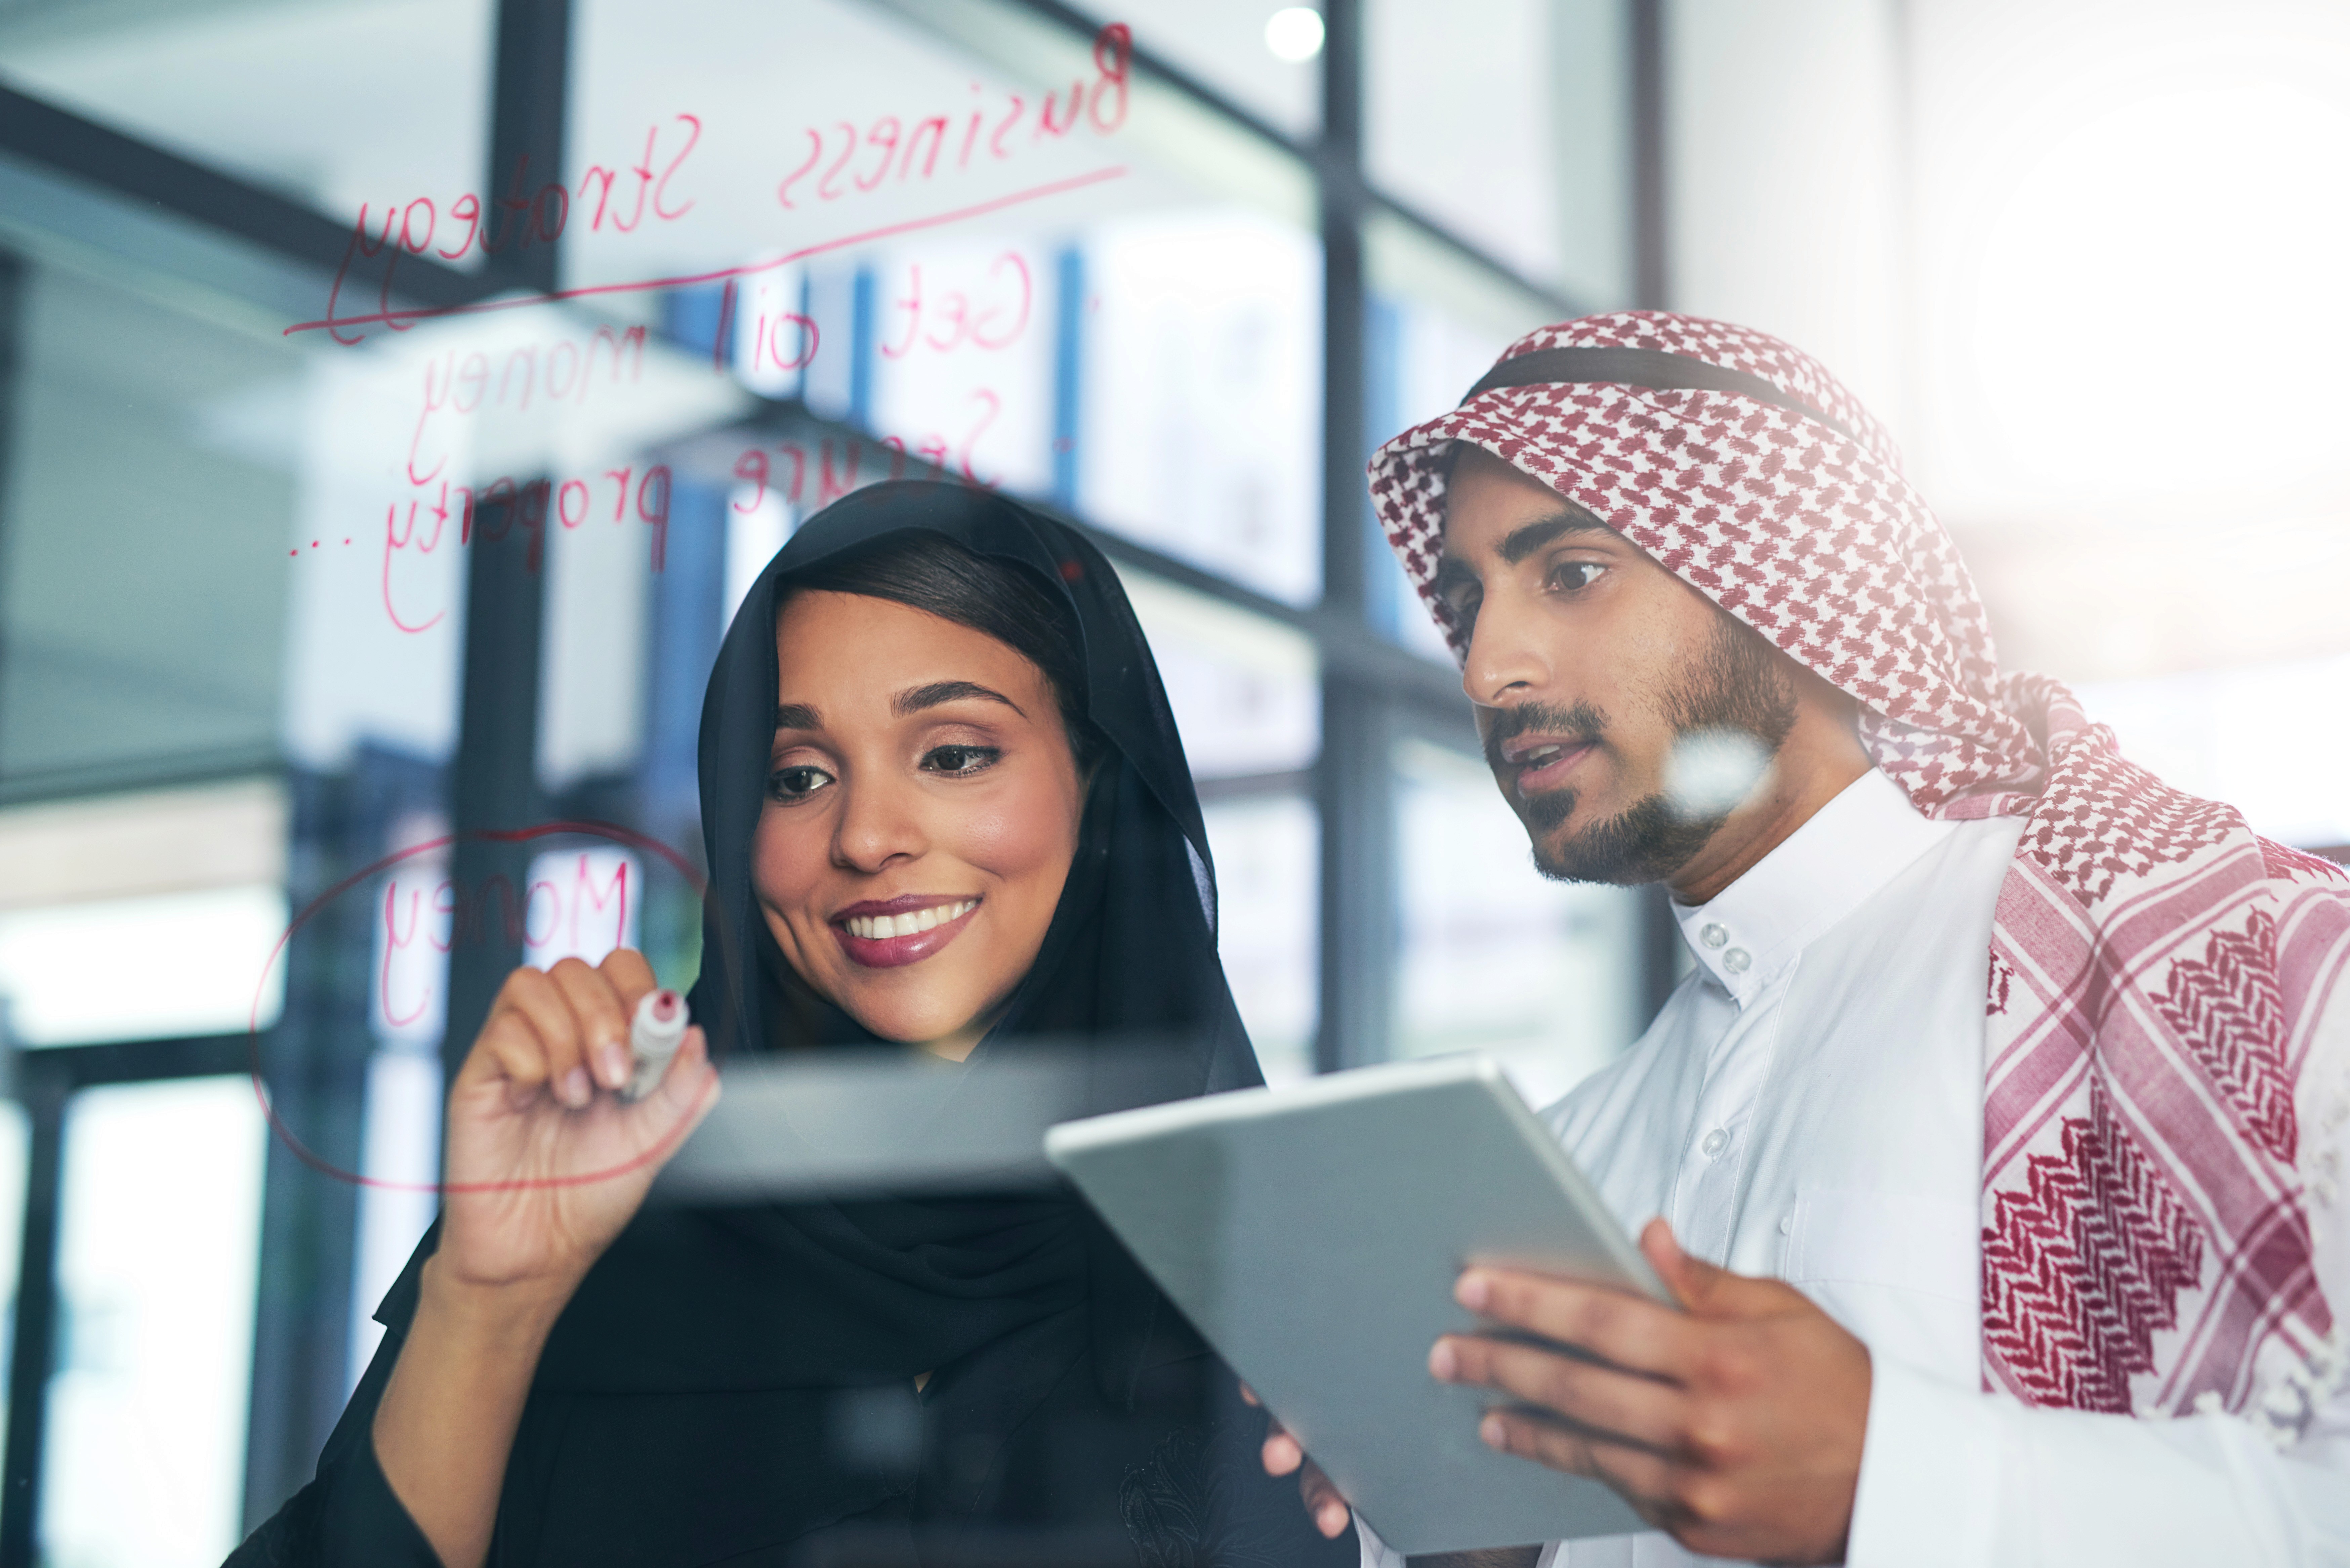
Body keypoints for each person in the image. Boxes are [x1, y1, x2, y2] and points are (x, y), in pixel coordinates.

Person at [1259, 312, 2350, 1566]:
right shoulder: (1559, 1167)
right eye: (1467, 600)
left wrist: (1891, 1473)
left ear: (1781, 581)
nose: (1487, 666)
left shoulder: (2226, 970)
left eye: (1567, 572)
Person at [233, 481, 1357, 1568]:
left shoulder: (1270, 1279)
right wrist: (491, 1302)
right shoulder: (588, 1223)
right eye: (800, 775)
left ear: (1097, 790)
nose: (867, 835)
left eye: (954, 754)